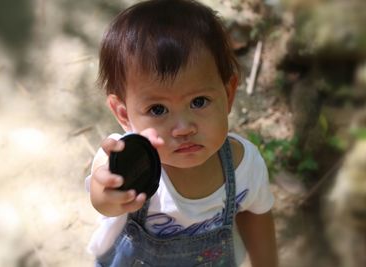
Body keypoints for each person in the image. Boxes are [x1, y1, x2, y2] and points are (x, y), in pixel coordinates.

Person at [85, 0, 278, 266]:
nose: (184, 127)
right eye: (157, 109)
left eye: (199, 102)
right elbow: (104, 199)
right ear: (124, 115)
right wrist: (108, 190)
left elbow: (256, 216)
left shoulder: (244, 166)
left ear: (229, 93)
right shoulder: (127, 161)